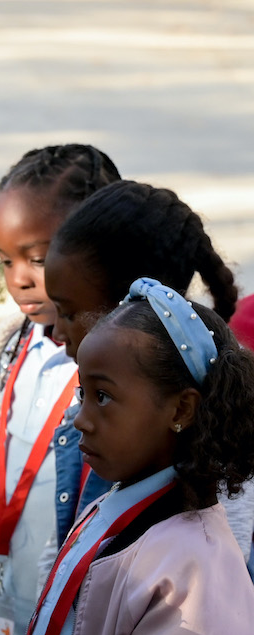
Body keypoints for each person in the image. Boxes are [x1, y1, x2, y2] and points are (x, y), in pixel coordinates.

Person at [0, 144, 120, 635]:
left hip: (81, 633)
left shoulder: (131, 367)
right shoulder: (2, 352)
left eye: (37, 258)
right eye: (5, 260)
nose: (19, 278)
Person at [19, 278, 254, 635]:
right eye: (83, 393)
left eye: (103, 396)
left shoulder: (195, 571)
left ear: (181, 410)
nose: (81, 418)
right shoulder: (119, 504)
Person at [42, 178, 254, 560]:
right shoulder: (99, 416)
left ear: (133, 310)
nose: (56, 331)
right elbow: (66, 545)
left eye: (70, 312)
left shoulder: (216, 477)